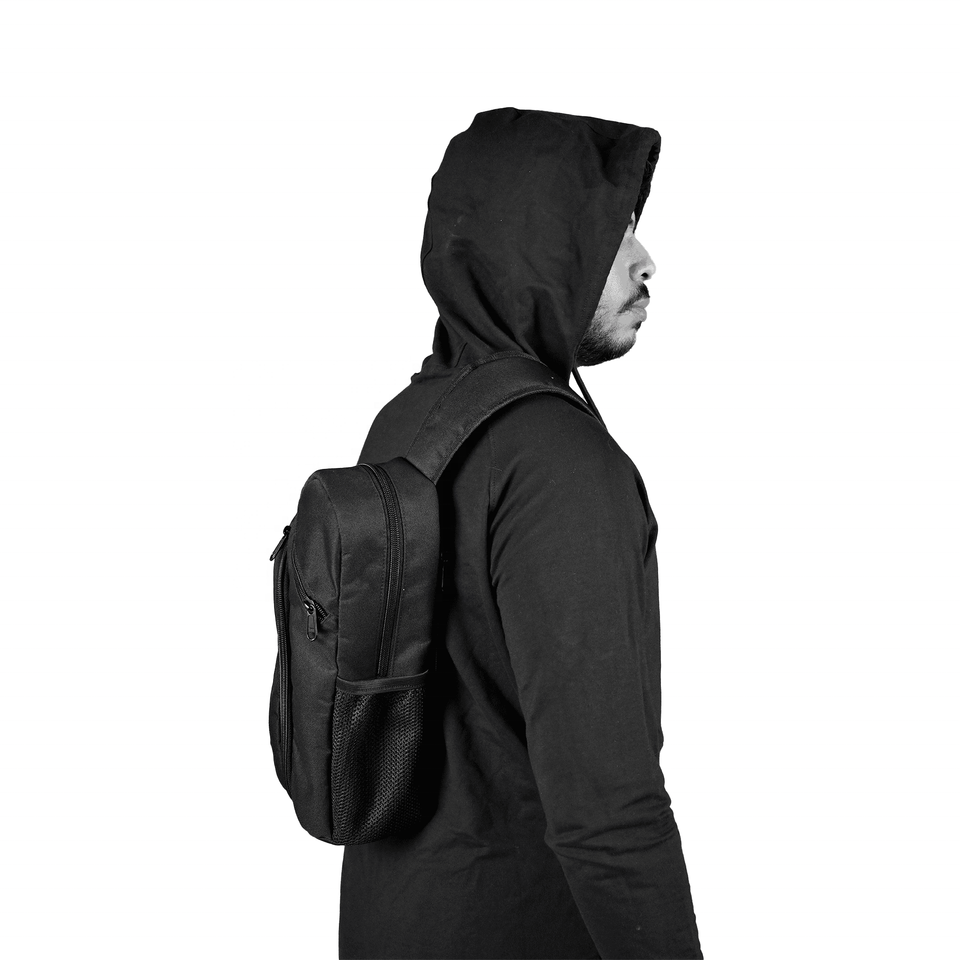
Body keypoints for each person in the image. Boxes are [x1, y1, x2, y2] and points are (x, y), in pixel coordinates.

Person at [339, 107, 703, 960]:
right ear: (537, 248)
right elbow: (608, 810)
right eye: (610, 234)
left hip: (389, 922)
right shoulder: (560, 464)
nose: (645, 262)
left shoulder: (403, 425)